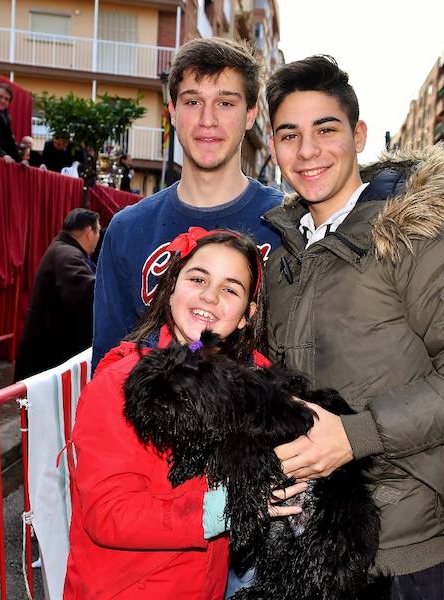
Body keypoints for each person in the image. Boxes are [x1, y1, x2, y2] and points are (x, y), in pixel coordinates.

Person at [263, 56, 444, 599]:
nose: (308, 151)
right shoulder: (282, 252)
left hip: (399, 543)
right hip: (303, 532)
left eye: (325, 129)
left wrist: (355, 437)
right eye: (290, 135)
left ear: (358, 135)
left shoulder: (420, 237)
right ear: (273, 147)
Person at [63, 228, 304, 599]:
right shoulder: (121, 384)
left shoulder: (249, 382)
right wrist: (234, 506)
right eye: (198, 278)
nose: (209, 295)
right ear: (172, 286)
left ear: (246, 315)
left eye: (230, 289)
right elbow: (108, 514)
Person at [91, 37, 282, 373]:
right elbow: (109, 366)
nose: (207, 119)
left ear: (251, 114)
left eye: (225, 103)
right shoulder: (127, 230)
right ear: (173, 113)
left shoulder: (289, 224)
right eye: (193, 102)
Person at [13, 209, 102, 382]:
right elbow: (87, 292)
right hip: (48, 355)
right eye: (98, 230)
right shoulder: (67, 253)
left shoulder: (65, 249)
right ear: (89, 232)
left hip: (50, 352)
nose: (99, 237)